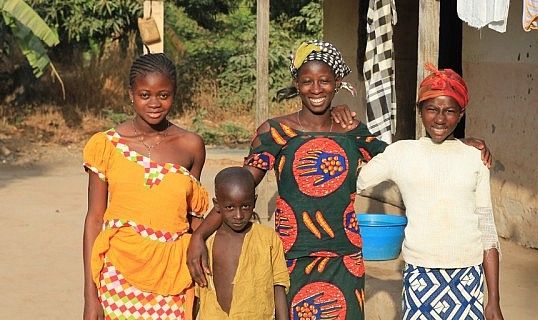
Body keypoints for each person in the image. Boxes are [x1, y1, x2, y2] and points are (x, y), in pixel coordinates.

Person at [187, 40, 490, 320]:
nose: (315, 88)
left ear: (337, 84)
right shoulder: (275, 132)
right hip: (291, 255)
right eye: (307, 81)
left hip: (345, 257)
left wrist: (459, 143)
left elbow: (409, 157)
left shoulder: (353, 131)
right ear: (297, 84)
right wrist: (200, 236)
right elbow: (238, 191)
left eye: (325, 80)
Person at [356, 64, 503, 320]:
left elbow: (487, 232)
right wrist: (341, 123)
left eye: (450, 111)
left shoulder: (475, 158)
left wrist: (493, 301)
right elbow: (355, 181)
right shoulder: (401, 153)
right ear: (419, 111)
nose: (440, 119)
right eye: (432, 109)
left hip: (468, 274)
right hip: (420, 273)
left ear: (461, 114)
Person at [82, 53, 209, 320]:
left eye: (163, 95)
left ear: (174, 94)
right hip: (118, 274)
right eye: (145, 94)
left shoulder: (191, 146)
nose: (154, 103)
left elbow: (194, 221)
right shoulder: (107, 145)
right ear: (131, 94)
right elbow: (94, 219)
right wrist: (90, 297)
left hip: (173, 275)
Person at [197, 167, 290, 320]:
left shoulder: (268, 239)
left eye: (245, 206)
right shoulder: (208, 242)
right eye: (230, 207)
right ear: (217, 204)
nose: (239, 215)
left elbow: (279, 285)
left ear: (254, 201)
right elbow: (197, 292)